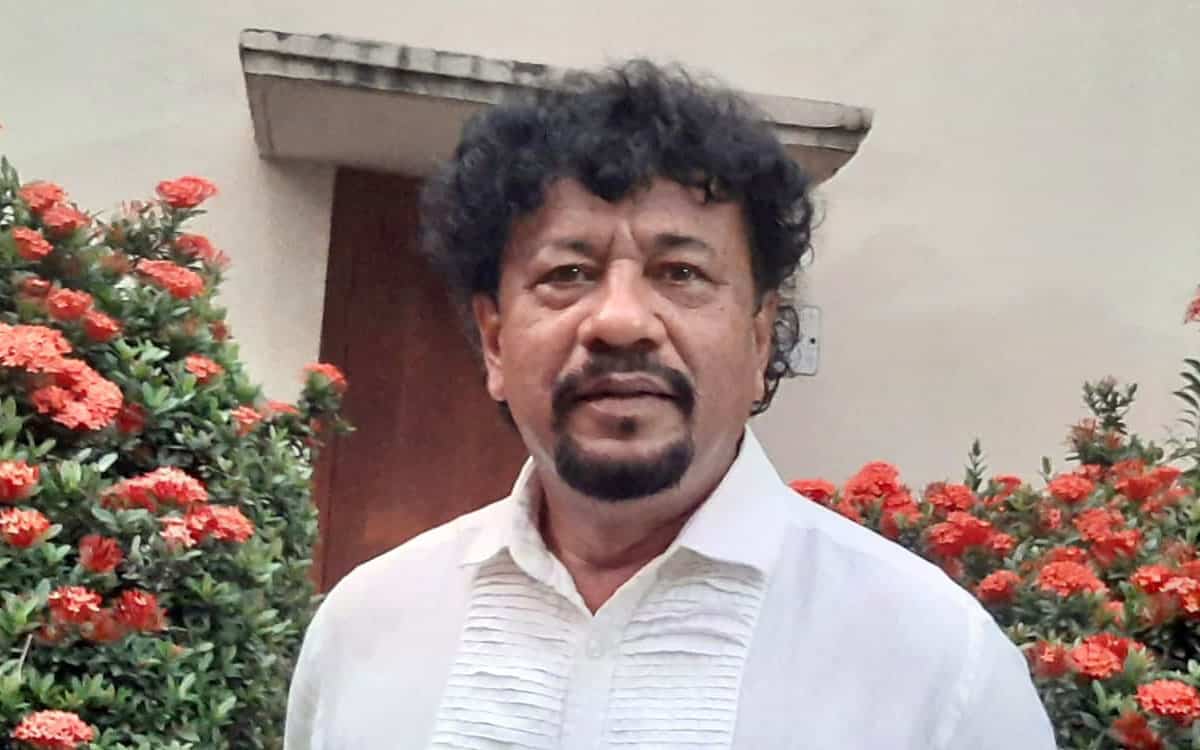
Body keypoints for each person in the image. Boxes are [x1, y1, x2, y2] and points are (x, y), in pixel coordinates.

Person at [284, 60, 1055, 749]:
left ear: (760, 338)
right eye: (567, 273)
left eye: (681, 272)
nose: (620, 321)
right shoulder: (364, 631)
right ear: (494, 343)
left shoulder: (938, 666)